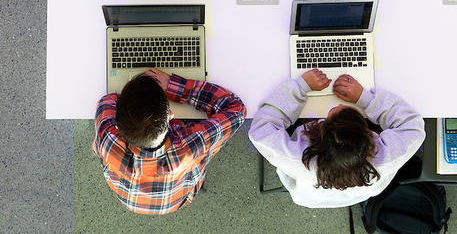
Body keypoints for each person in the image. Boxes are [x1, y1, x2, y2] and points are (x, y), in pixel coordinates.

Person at [249, 69, 425, 208]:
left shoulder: (296, 158)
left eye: (329, 117)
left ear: (320, 133)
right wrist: (366, 100)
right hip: (357, 195)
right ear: (368, 133)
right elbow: (414, 127)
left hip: (309, 197)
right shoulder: (387, 157)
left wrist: (300, 88)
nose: (340, 105)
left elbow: (260, 131)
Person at [93, 67, 246, 215]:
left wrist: (135, 105)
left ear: (117, 126)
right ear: (170, 115)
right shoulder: (192, 144)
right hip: (181, 199)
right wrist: (175, 87)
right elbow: (237, 109)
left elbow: (107, 100)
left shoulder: (108, 138)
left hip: (132, 202)